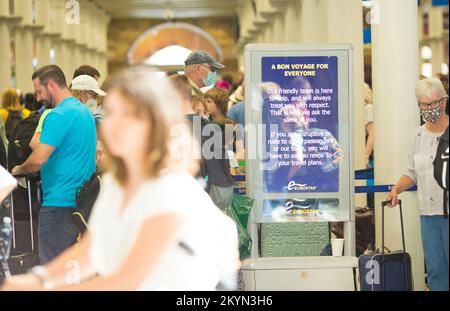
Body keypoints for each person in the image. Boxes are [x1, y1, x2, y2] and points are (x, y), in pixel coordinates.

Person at [1, 66, 239, 291]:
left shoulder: (172, 190)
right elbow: (90, 252)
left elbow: (128, 280)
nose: (110, 125)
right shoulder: (117, 184)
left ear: (152, 123)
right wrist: (40, 278)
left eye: (125, 115)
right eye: (110, 112)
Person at [10, 65, 97, 265]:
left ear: (51, 85)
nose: (38, 98)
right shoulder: (85, 113)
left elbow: (39, 159)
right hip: (81, 205)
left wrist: (18, 169)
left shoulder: (57, 115)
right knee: (72, 269)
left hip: (58, 205)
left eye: (39, 91)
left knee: (51, 269)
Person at [387, 77, 449, 291]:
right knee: (435, 271)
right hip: (428, 214)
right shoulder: (418, 135)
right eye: (424, 104)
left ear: (444, 102)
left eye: (434, 103)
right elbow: (412, 172)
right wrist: (396, 189)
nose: (430, 108)